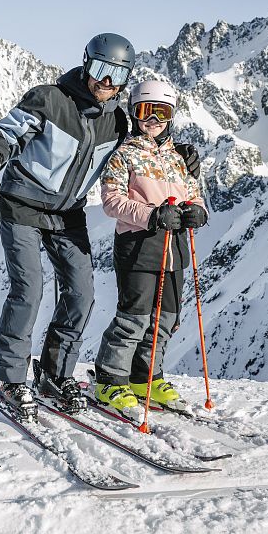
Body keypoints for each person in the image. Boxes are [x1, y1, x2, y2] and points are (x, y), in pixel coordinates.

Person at [0, 33, 134, 417]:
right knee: (29, 289)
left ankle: (55, 374)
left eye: (117, 75)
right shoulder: (50, 99)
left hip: (67, 212)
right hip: (22, 203)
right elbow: (12, 130)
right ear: (86, 64)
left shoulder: (118, 122)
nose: (106, 82)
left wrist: (180, 153)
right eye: (100, 70)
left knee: (82, 292)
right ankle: (10, 378)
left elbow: (144, 150)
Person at [93, 79, 208, 416]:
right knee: (134, 319)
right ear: (134, 112)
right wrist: (153, 215)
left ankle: (145, 377)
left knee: (166, 320)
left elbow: (193, 192)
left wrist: (197, 210)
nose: (154, 119)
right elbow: (112, 202)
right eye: (146, 111)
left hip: (174, 250)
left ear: (171, 116)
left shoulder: (178, 159)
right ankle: (111, 380)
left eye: (162, 112)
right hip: (138, 246)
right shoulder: (124, 155)